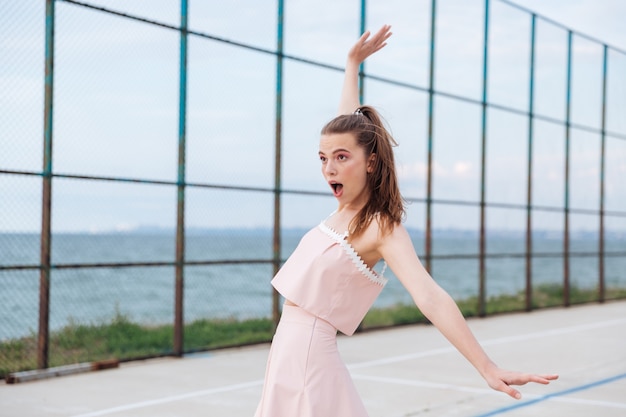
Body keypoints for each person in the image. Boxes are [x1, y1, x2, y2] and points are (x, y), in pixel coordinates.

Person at [254, 25, 558, 417]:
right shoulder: (341, 212)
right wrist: (351, 65)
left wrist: (487, 367)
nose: (329, 167)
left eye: (342, 158)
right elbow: (347, 123)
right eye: (323, 158)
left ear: (371, 162)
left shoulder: (380, 226)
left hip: (308, 365)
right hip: (286, 358)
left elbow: (429, 296)